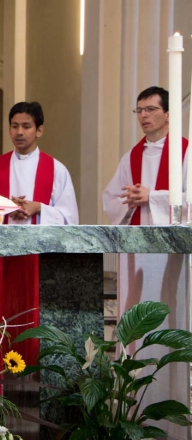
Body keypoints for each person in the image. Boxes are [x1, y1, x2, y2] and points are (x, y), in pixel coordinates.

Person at [102, 86, 188, 438]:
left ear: (168, 114)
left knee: (170, 321)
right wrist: (132, 200)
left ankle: (173, 415)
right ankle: (133, 416)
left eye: (151, 109)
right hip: (136, 255)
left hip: (171, 257)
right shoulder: (131, 156)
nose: (144, 116)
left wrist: (152, 196)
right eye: (138, 110)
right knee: (135, 331)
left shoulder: (186, 151)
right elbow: (112, 200)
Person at [0, 101, 78, 388]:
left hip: (38, 255)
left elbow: (71, 217)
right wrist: (6, 208)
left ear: (40, 130)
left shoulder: (55, 170)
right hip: (2, 255)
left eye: (26, 126)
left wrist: (38, 209)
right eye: (14, 126)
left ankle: (37, 376)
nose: (19, 132)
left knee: (35, 309)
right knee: (2, 310)